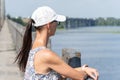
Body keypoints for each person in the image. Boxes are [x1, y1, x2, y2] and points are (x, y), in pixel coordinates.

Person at [15, 6, 99, 80]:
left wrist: (82, 69)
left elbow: (61, 73)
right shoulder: (46, 55)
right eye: (57, 22)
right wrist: (86, 73)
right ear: (48, 25)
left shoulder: (34, 50)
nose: (57, 25)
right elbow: (80, 77)